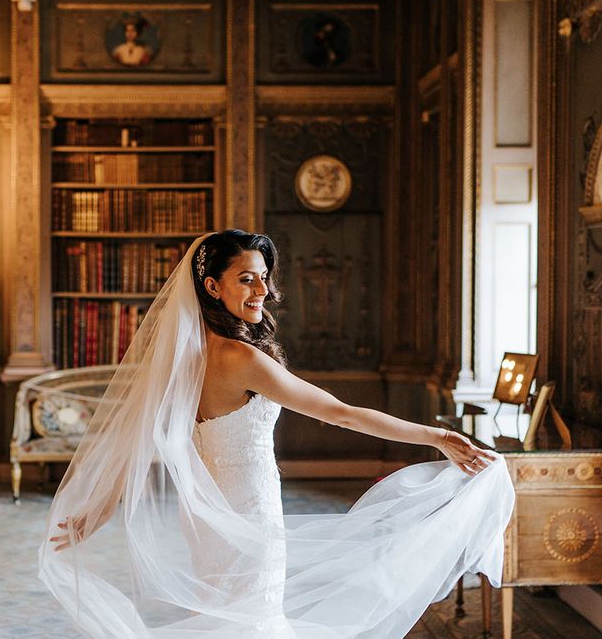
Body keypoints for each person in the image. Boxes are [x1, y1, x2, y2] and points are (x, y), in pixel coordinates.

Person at [40, 230, 515, 638]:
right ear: (211, 287)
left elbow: (135, 444)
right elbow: (341, 412)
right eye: (246, 278)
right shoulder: (240, 359)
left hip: (208, 521)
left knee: (224, 618)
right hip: (249, 516)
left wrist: (95, 513)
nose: (262, 289)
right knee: (252, 618)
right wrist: (436, 436)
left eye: (264, 276)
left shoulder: (184, 359)